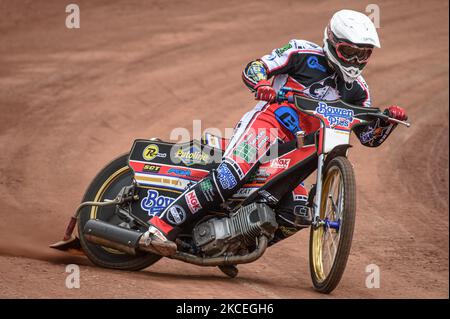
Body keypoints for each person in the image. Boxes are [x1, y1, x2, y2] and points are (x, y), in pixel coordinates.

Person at [140, 9, 408, 256]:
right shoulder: (300, 52)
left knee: (299, 211)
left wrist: (387, 122)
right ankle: (159, 227)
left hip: (299, 149)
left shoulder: (359, 90)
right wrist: (262, 85)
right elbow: (255, 67)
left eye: (363, 54)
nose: (355, 60)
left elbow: (366, 137)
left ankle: (233, 246)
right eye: (348, 51)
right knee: (230, 175)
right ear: (331, 41)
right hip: (267, 126)